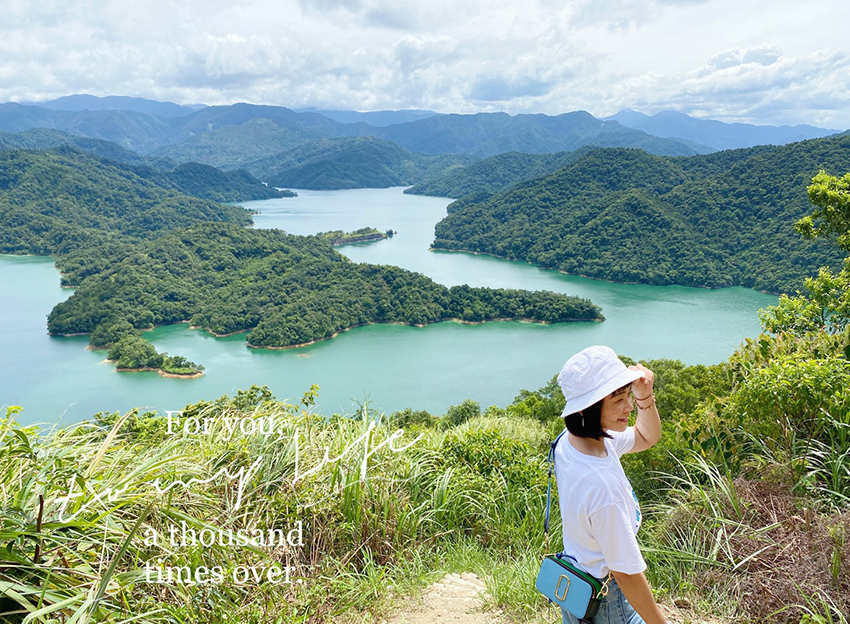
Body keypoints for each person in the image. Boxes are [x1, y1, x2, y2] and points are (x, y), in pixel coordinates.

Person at [554, 345, 667, 624]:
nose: (629, 406)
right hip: (607, 601)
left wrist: (645, 397)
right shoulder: (603, 488)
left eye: (628, 395)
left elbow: (646, 437)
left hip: (578, 585)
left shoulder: (572, 441)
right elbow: (626, 573)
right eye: (618, 400)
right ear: (587, 408)